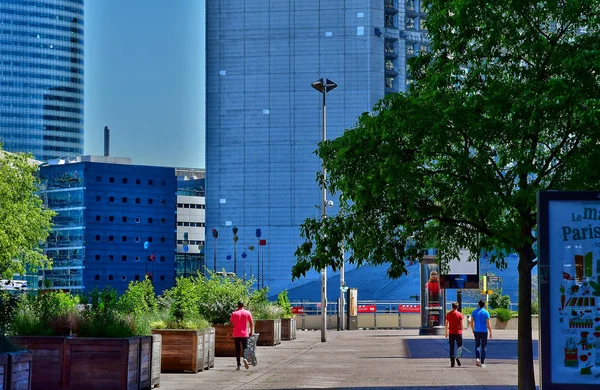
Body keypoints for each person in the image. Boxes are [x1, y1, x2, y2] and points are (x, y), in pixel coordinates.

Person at [227, 301, 254, 370]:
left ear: (237, 305)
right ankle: (245, 359)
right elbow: (251, 323)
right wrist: (251, 331)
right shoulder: (247, 313)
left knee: (237, 350)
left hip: (236, 334)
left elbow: (231, 324)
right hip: (245, 334)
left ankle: (238, 365)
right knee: (245, 348)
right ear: (243, 305)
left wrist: (229, 333)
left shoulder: (234, 313)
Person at [470, 299, 493, 367]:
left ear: (478, 304)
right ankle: (482, 362)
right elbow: (488, 324)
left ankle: (477, 358)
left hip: (476, 331)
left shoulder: (474, 312)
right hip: (484, 331)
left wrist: (473, 329)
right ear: (484, 305)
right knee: (484, 347)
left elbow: (471, 322)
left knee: (477, 345)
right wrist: (491, 332)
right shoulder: (486, 313)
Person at [445, 301, 464, 367]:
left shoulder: (448, 314)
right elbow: (461, 324)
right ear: (457, 307)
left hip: (451, 333)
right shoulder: (460, 314)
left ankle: (452, 361)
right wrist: (462, 330)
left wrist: (446, 332)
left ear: (452, 307)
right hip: (458, 333)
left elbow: (446, 324)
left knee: (451, 347)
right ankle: (458, 357)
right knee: (460, 347)